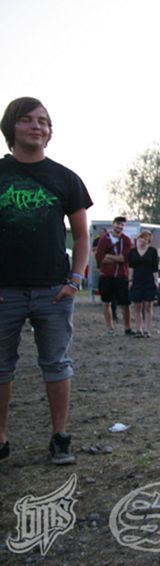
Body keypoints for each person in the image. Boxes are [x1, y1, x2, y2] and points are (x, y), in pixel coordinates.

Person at [0, 96, 92, 465]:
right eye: (27, 119)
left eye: (43, 121)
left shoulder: (66, 178)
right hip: (4, 292)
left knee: (56, 364)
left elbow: (82, 236)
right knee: (1, 367)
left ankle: (60, 437)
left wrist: (75, 279)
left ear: (50, 132)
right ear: (11, 127)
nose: (37, 126)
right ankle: (1, 438)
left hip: (54, 290)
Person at [95, 216, 133, 335]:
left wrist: (108, 256)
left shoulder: (126, 240)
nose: (119, 227)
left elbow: (125, 258)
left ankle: (127, 328)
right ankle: (110, 328)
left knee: (125, 303)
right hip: (106, 275)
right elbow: (99, 257)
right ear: (113, 224)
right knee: (106, 302)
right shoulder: (104, 239)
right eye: (118, 224)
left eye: (122, 225)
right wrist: (116, 258)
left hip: (121, 275)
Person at [128, 229, 159, 337]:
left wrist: (156, 280)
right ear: (138, 238)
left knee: (148, 306)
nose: (143, 240)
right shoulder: (132, 252)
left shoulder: (152, 251)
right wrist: (130, 280)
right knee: (137, 306)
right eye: (142, 238)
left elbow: (155, 267)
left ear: (149, 241)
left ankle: (147, 330)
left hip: (149, 280)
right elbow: (131, 267)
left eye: (146, 239)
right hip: (137, 281)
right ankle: (138, 329)